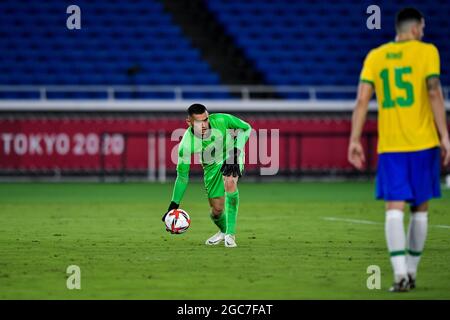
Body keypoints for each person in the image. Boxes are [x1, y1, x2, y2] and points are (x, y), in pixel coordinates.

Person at [348, 7, 450, 292]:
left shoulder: (376, 56)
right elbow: (433, 92)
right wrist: (445, 136)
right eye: (423, 27)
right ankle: (413, 272)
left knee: (394, 209)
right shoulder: (428, 52)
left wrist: (354, 139)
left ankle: (399, 274)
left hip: (391, 147)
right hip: (424, 143)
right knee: (420, 209)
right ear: (416, 27)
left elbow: (361, 101)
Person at [162, 103, 252, 248]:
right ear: (189, 122)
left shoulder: (222, 120)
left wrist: (236, 150)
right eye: (199, 122)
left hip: (232, 155)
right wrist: (173, 205)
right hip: (210, 167)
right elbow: (182, 177)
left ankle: (230, 234)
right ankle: (223, 231)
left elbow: (246, 128)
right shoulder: (186, 145)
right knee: (216, 211)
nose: (204, 124)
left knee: (230, 181)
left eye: (206, 119)